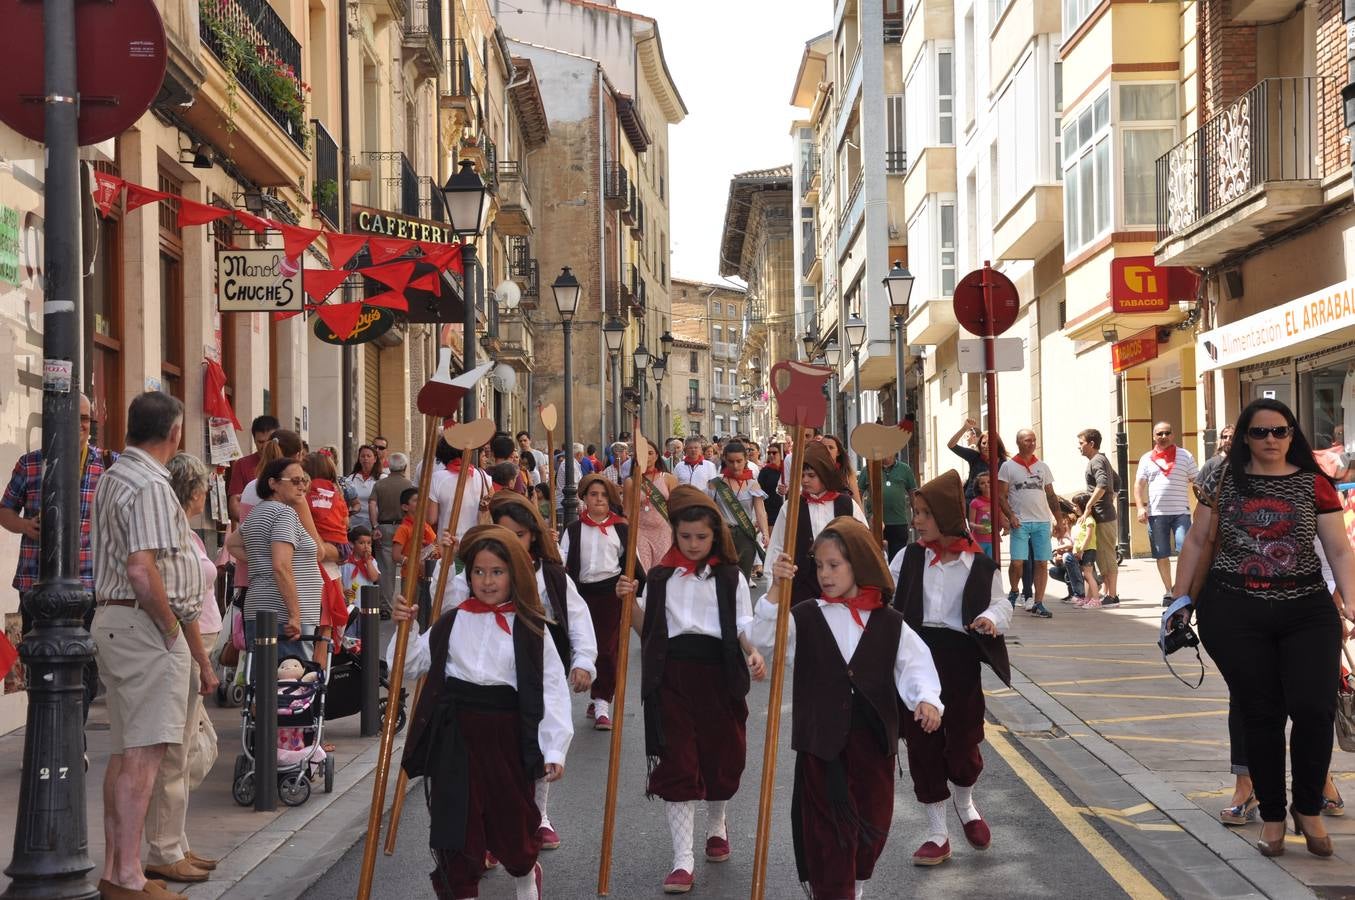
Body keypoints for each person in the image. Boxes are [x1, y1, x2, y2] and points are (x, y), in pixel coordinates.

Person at [1172, 398, 1355, 859]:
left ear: (1292, 434)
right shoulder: (1222, 479)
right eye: (1260, 432)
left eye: (1280, 431)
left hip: (1307, 607)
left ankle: (1308, 808)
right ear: (1245, 437)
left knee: (1314, 709)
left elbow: (1340, 549)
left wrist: (1352, 601)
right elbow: (1197, 540)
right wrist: (1176, 599)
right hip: (1234, 609)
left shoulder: (1317, 484)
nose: (1271, 440)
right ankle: (1273, 816)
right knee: (1262, 712)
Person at [756, 516, 943, 899]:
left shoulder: (889, 622)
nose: (824, 574)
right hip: (820, 746)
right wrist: (776, 589)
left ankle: (852, 889)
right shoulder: (804, 616)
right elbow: (762, 639)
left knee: (871, 828)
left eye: (833, 565)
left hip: (872, 744)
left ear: (858, 564)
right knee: (828, 836)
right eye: (819, 566)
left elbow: (915, 663)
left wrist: (926, 699)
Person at [391, 525, 571, 900]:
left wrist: (554, 747)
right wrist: (405, 627)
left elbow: (552, 689)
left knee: (513, 824)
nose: (486, 581)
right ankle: (462, 888)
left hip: (507, 736)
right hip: (455, 737)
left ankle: (524, 874)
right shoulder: (453, 620)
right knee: (458, 829)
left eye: (497, 572)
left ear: (514, 575)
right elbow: (408, 666)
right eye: (478, 572)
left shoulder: (531, 628)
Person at [615, 487, 765, 893]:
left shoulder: (730, 576)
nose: (694, 544)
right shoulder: (661, 577)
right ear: (675, 535)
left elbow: (738, 627)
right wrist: (630, 605)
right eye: (685, 537)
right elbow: (649, 633)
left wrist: (752, 654)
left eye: (702, 537)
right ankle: (682, 859)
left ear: (715, 535)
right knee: (678, 762)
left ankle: (716, 823)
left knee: (723, 758)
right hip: (672, 677)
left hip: (719, 674)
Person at [90, 392, 205, 900]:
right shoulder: (153, 483)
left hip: (118, 621)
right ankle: (128, 875)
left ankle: (120, 868)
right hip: (144, 627)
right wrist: (170, 628)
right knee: (144, 758)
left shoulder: (115, 474)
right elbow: (142, 567)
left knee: (124, 753)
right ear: (174, 432)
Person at [889, 470, 1011, 865]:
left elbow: (1002, 604)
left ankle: (966, 803)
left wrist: (992, 618)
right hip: (915, 655)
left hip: (959, 659)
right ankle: (937, 832)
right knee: (922, 746)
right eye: (915, 512)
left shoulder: (979, 564)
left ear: (944, 515)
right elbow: (882, 597)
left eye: (924, 513)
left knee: (962, 743)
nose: (916, 521)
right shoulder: (906, 557)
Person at [0, 392, 114, 718]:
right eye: (74, 417)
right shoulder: (30, 463)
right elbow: (4, 511)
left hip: (89, 585)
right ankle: (47, 734)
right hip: (36, 584)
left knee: (87, 670)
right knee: (40, 665)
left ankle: (74, 737)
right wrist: (24, 525)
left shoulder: (106, 463)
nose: (81, 425)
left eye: (86, 419)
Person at [144, 451, 222, 886]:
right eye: (205, 487)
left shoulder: (185, 532)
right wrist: (202, 658)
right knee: (177, 748)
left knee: (189, 742)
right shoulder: (174, 534)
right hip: (191, 645)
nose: (208, 495)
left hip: (200, 640)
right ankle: (165, 847)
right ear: (192, 491)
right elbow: (181, 602)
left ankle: (175, 840)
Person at [559, 474, 640, 731]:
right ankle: (594, 694)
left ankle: (603, 702)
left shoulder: (621, 528)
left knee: (607, 649)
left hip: (610, 594)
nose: (599, 500)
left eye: (604, 495)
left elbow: (632, 564)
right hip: (580, 595)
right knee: (581, 646)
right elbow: (562, 563)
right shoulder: (573, 529)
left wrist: (633, 590)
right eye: (593, 494)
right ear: (584, 498)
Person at [228, 457, 326, 662]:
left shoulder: (258, 513)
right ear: (273, 483)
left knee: (264, 682)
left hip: (260, 608)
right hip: (283, 615)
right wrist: (295, 615)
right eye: (295, 481)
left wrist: (258, 559)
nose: (302, 487)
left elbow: (233, 544)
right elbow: (281, 566)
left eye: (304, 481)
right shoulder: (284, 514)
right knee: (289, 684)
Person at [767, 442, 869, 608]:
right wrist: (775, 588)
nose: (805, 480)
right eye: (802, 475)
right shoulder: (791, 507)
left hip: (840, 585)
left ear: (825, 474)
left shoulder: (846, 504)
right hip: (801, 586)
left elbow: (864, 543)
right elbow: (777, 548)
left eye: (811, 475)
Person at [997, 429, 1061, 619]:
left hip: (1042, 521)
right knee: (1018, 562)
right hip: (1020, 522)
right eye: (1027, 440)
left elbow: (1050, 494)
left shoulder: (1042, 466)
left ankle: (1039, 602)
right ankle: (1015, 590)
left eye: (1034, 440)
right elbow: (1001, 496)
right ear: (1018, 442)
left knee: (1042, 562)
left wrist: (1058, 519)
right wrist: (1010, 516)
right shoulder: (1008, 467)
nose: (1032, 443)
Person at [1136, 421, 1199, 605]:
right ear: (1154, 436)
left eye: (1167, 433)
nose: (1163, 437)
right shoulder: (1146, 458)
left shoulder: (1185, 455)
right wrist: (1141, 507)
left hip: (1181, 513)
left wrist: (1201, 508)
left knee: (1185, 551)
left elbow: (1197, 482)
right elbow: (1138, 485)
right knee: (1161, 554)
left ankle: (1181, 588)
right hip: (1156, 514)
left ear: (1173, 435)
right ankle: (1168, 591)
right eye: (1159, 434)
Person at [708, 441, 769, 581]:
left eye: (739, 461)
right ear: (724, 459)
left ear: (746, 459)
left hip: (745, 535)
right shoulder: (716, 483)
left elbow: (760, 512)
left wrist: (765, 534)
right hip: (723, 534)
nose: (735, 466)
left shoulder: (752, 484)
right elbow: (709, 510)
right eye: (731, 461)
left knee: (743, 577)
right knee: (723, 576)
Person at [1076, 428, 1121, 607]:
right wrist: (1112, 496)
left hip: (1104, 516)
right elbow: (1116, 481)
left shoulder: (1096, 460)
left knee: (1106, 555)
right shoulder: (1100, 460)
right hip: (1103, 514)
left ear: (1091, 444)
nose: (1078, 447)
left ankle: (1113, 595)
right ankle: (1109, 593)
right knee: (1102, 556)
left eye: (1081, 443)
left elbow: (1102, 485)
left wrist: (1088, 506)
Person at [371, 451, 414, 617]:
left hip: (385, 528)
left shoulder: (380, 485)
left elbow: (372, 506)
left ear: (389, 466)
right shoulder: (409, 485)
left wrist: (375, 526)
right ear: (404, 466)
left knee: (386, 569)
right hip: (405, 527)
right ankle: (407, 603)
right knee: (407, 566)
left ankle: (386, 607)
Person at [628, 439, 678, 572]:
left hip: (663, 531)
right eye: (642, 453)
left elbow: (675, 509)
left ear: (656, 456)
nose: (647, 457)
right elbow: (627, 513)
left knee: (663, 571)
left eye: (650, 453)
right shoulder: (630, 482)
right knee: (644, 572)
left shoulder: (668, 478)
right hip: (640, 532)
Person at [860, 451, 917, 560]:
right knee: (877, 559)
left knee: (898, 559)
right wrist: (861, 517)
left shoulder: (905, 469)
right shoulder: (868, 469)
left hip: (898, 522)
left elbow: (913, 493)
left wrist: (916, 514)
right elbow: (858, 494)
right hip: (875, 524)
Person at [227, 414, 279, 525]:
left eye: (269, 442)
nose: (265, 446)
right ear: (254, 440)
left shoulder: (287, 465)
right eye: (260, 442)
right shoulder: (242, 464)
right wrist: (255, 524)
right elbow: (234, 504)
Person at [946, 418, 1009, 503]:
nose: (986, 446)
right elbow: (951, 445)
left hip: (992, 505)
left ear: (997, 445)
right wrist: (965, 428)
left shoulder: (1004, 464)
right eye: (984, 443)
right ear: (979, 444)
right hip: (971, 502)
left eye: (990, 443)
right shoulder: (974, 457)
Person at [1064, 492, 1101, 608]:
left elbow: (1088, 536)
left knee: (1089, 575)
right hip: (1082, 551)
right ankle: (1088, 598)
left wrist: (1082, 550)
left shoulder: (1089, 520)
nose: (1074, 508)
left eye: (1076, 505)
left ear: (1083, 505)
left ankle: (1096, 600)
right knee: (1086, 575)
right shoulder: (1081, 520)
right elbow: (1078, 537)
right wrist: (1076, 548)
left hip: (1088, 550)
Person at [340, 525, 380, 613]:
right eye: (361, 543)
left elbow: (374, 578)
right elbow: (339, 580)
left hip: (366, 603)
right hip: (348, 602)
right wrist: (344, 591)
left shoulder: (371, 561)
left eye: (369, 543)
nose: (366, 546)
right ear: (352, 544)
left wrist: (368, 561)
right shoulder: (345, 562)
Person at [346, 444, 383, 532]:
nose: (365, 458)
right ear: (359, 459)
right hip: (354, 524)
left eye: (368, 456)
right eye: (362, 456)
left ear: (375, 459)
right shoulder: (350, 479)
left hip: (375, 525)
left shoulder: (382, 478)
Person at [820, 435, 863, 507]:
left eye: (831, 447)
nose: (827, 450)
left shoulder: (847, 472)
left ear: (838, 452)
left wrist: (861, 517)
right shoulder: (813, 471)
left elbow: (857, 501)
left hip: (843, 514)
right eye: (823, 447)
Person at [757, 443, 785, 529]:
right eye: (769, 453)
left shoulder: (787, 470)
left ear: (781, 454)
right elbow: (759, 491)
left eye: (774, 452)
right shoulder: (765, 471)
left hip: (786, 510)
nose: (771, 455)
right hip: (771, 512)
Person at [967, 472, 994, 558]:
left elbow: (1001, 519)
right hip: (978, 541)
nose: (986, 484)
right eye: (982, 483)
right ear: (978, 487)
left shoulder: (997, 501)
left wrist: (1005, 527)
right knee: (980, 566)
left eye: (989, 482)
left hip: (993, 541)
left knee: (992, 565)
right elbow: (970, 524)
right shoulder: (975, 502)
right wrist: (979, 527)